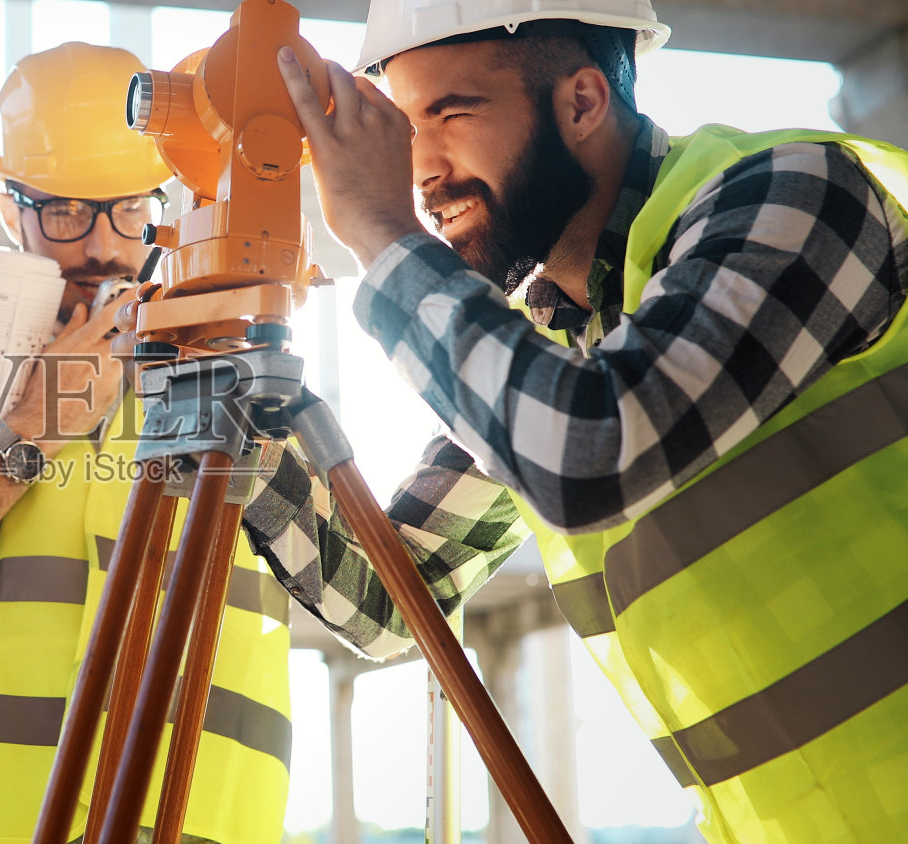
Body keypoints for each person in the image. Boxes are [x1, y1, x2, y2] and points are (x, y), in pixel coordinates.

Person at [222, 0, 908, 841]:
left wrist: (384, 238)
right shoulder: (558, 342)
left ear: (582, 102)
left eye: (450, 115)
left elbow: (597, 452)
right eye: (401, 131)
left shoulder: (799, 194)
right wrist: (226, 398)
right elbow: (384, 600)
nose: (421, 171)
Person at [0, 43, 293, 844]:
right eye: (66, 211)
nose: (102, 244)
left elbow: (368, 597)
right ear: (12, 211)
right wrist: (24, 436)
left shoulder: (239, 389)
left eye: (131, 209)